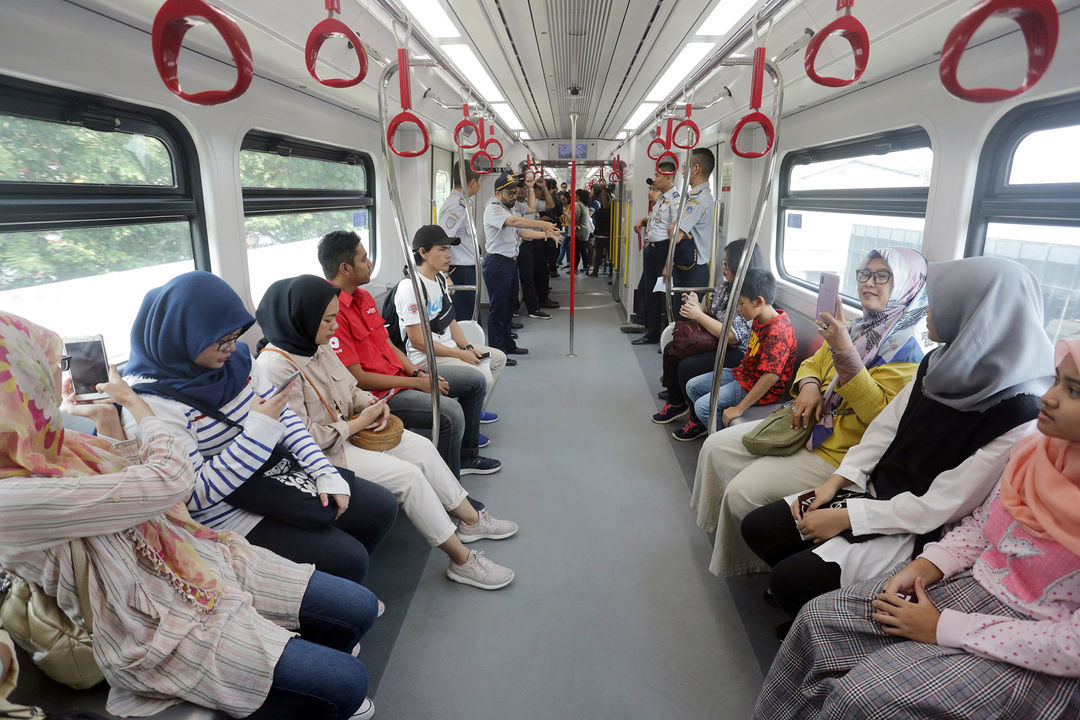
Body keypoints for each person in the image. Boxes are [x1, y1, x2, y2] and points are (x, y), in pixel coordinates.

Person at [0, 311, 379, 719]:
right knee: (348, 681)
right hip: (149, 617)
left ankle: (293, 661)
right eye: (42, 370)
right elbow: (172, 482)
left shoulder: (47, 447)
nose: (54, 382)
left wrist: (107, 419)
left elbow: (130, 485)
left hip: (192, 554)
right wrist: (133, 403)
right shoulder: (13, 497)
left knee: (360, 606)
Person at [754, 337, 1080, 720]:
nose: (1050, 397)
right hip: (972, 581)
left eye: (1072, 390)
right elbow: (981, 527)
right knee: (815, 620)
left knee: (860, 697)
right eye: (1057, 380)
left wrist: (942, 626)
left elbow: (1071, 645)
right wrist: (921, 569)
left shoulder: (1018, 414)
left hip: (1033, 634)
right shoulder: (1037, 450)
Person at [741, 256, 1052, 618]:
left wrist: (847, 518)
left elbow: (943, 504)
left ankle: (802, 603)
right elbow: (883, 431)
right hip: (869, 486)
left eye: (938, 303)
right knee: (760, 527)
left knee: (790, 579)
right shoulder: (938, 363)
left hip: (911, 522)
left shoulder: (1021, 414)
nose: (928, 310)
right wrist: (834, 484)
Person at [122, 271, 399, 587]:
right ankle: (332, 605)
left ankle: (345, 591)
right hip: (226, 513)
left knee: (380, 507)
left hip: (271, 474)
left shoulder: (238, 361)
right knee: (348, 558)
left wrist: (324, 472)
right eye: (220, 340)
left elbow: (284, 419)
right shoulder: (154, 403)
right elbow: (193, 497)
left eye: (236, 336)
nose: (231, 347)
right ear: (184, 335)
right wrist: (258, 430)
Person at [255, 275, 517, 591]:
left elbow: (350, 389)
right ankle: (461, 560)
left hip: (351, 430)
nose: (334, 327)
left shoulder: (315, 345)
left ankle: (471, 520)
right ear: (301, 318)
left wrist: (374, 405)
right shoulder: (275, 366)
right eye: (327, 320)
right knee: (408, 478)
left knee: (420, 447)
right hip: (325, 455)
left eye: (335, 317)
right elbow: (303, 439)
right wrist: (360, 422)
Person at [690, 247, 929, 577]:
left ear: (906, 284)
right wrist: (810, 386)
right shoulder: (859, 327)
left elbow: (877, 414)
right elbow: (813, 363)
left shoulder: (908, 354)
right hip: (804, 422)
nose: (869, 283)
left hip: (837, 451)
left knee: (743, 492)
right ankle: (716, 529)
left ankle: (751, 562)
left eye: (883, 276)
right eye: (865, 274)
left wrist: (843, 349)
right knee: (715, 447)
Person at [317, 231, 500, 477]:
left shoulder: (364, 297)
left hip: (402, 376)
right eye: (364, 259)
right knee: (450, 413)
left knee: (475, 382)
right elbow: (358, 379)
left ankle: (467, 455)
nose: (370, 263)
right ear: (345, 268)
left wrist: (417, 373)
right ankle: (450, 483)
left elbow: (389, 345)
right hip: (379, 395)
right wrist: (415, 382)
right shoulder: (333, 311)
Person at [676, 269, 797, 441]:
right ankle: (716, 430)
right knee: (692, 387)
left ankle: (724, 444)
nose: (738, 310)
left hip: (761, 386)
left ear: (758, 301)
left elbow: (770, 377)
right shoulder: (759, 317)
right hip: (744, 373)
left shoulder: (778, 332)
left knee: (703, 407)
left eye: (741, 304)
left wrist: (739, 408)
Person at [653, 238, 762, 417]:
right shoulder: (726, 287)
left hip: (736, 351)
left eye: (727, 263)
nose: (723, 267)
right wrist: (698, 305)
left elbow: (733, 336)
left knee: (687, 366)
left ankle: (695, 417)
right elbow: (712, 311)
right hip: (716, 338)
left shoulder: (749, 296)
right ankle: (676, 401)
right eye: (723, 262)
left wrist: (699, 315)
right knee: (671, 349)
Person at [395, 225, 508, 391]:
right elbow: (418, 342)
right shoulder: (411, 288)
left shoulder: (440, 278)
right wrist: (459, 354)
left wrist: (467, 347)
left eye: (449, 249)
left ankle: (473, 407)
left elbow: (450, 320)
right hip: (426, 358)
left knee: (498, 358)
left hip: (449, 348)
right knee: (482, 378)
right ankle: (469, 412)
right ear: (423, 253)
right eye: (442, 249)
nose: (449, 255)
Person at [481, 171, 559, 354]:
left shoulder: (510, 207)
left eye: (515, 193)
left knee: (509, 309)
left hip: (509, 263)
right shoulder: (494, 208)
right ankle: (498, 353)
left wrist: (546, 234)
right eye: (510, 194)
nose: (514, 197)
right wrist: (542, 224)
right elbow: (515, 222)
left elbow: (521, 232)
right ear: (498, 194)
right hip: (497, 264)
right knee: (498, 312)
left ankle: (508, 346)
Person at [630, 160, 680, 345]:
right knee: (650, 292)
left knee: (665, 295)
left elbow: (674, 232)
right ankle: (651, 333)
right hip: (651, 250)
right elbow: (654, 220)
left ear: (668, 176)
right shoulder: (661, 199)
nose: (655, 179)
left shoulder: (675, 199)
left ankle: (667, 337)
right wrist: (641, 223)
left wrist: (668, 262)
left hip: (663, 250)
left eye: (658, 175)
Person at [664, 148, 717, 301]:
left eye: (685, 166)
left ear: (696, 168)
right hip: (687, 265)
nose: (682, 172)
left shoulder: (698, 200)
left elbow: (674, 235)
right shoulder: (695, 196)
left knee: (685, 321)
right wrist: (678, 230)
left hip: (693, 271)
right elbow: (677, 231)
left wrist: (675, 228)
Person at [440, 160, 482, 322]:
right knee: (466, 319)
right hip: (460, 271)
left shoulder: (463, 203)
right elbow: (442, 240)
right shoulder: (456, 206)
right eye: (479, 182)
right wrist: (444, 273)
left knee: (473, 316)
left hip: (467, 268)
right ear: (472, 182)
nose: (479, 185)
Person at [621, 181, 662, 334]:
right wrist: (641, 221)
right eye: (650, 189)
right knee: (645, 287)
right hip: (650, 251)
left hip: (659, 253)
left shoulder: (669, 204)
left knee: (653, 291)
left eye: (654, 190)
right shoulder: (656, 206)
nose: (650, 192)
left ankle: (649, 326)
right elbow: (651, 219)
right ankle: (641, 320)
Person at [588, 184, 612, 277]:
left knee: (598, 256)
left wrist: (603, 190)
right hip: (608, 236)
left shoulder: (598, 211)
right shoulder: (611, 211)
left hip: (600, 236)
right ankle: (610, 272)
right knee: (610, 257)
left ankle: (595, 272)